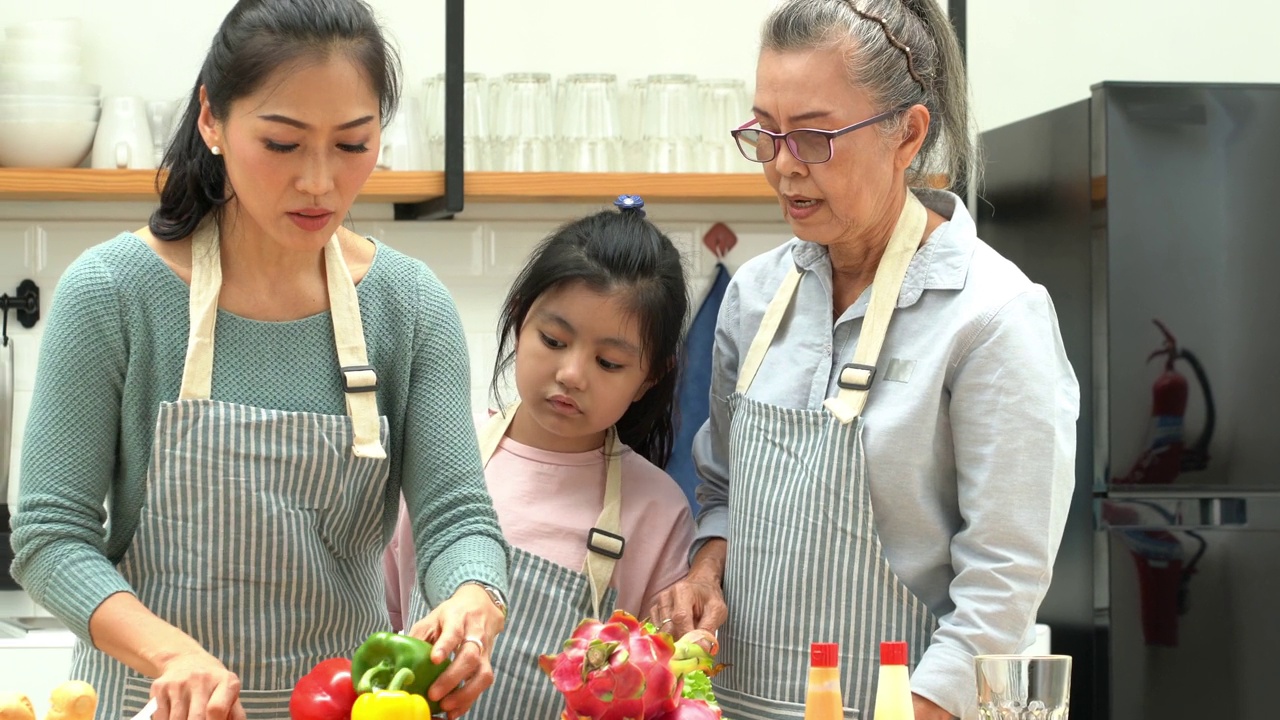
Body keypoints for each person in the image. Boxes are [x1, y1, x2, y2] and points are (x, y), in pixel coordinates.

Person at [8, 2, 509, 720]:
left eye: (351, 144)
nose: (318, 181)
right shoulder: (115, 294)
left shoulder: (410, 306)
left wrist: (473, 595)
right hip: (149, 703)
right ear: (212, 118)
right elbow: (50, 537)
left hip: (349, 705)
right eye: (281, 144)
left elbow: (457, 518)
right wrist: (171, 654)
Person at [648, 1, 1079, 719]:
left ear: (908, 135)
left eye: (814, 137)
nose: (784, 168)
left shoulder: (994, 316)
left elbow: (1002, 585)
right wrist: (705, 569)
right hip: (738, 703)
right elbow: (720, 493)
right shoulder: (755, 297)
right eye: (765, 133)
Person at [385, 195, 696, 720]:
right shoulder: (446, 455)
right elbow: (388, 615)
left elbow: (661, 689)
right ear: (517, 319)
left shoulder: (657, 510)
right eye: (553, 339)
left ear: (650, 377)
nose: (572, 373)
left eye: (609, 361)